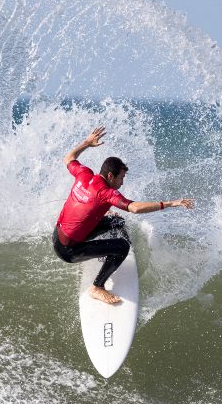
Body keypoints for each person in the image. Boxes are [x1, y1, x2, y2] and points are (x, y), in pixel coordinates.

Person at [53, 126, 195, 304]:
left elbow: (68, 158)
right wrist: (171, 203)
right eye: (121, 178)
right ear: (110, 176)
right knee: (122, 247)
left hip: (58, 234)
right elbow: (134, 208)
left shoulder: (84, 174)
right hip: (68, 250)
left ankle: (104, 253)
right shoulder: (106, 193)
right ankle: (97, 286)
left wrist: (87, 143)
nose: (122, 182)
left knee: (116, 222)